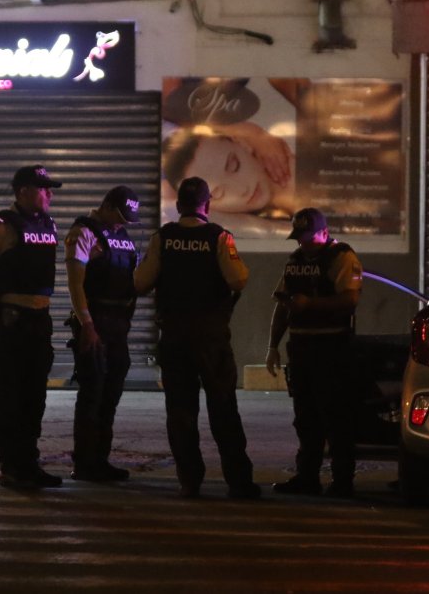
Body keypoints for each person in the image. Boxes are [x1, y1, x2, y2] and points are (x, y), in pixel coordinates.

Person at [134, 176, 262, 500]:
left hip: (174, 336)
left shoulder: (163, 238)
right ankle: (238, 482)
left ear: (178, 206)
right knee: (224, 408)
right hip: (210, 338)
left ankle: (189, 480)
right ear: (207, 205)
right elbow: (238, 280)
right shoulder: (219, 237)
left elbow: (140, 283)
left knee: (180, 411)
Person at [0, 164, 64, 490]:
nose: (49, 195)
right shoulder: (1, 226)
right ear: (23, 191)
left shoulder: (48, 224)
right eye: (43, 189)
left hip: (40, 320)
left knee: (34, 395)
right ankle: (10, 466)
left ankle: (29, 462)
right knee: (9, 393)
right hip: (11, 322)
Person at [266, 207, 363, 498]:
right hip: (301, 348)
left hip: (332, 347)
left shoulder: (341, 257)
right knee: (305, 417)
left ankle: (342, 481)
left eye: (308, 237)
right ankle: (307, 476)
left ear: (324, 232)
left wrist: (311, 305)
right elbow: (283, 305)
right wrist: (272, 346)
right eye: (299, 237)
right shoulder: (295, 260)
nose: (302, 243)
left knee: (336, 417)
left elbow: (350, 300)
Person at [63, 185, 141, 482]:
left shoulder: (122, 235)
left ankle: (101, 459)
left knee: (111, 394)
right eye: (120, 216)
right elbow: (75, 284)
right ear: (106, 206)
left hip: (118, 326)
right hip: (94, 322)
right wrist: (87, 325)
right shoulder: (84, 232)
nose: (123, 223)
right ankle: (85, 463)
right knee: (93, 393)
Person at [161, 122, 295, 230]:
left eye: (234, 166)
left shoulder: (291, 173)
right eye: (218, 193)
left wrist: (255, 133)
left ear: (242, 144)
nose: (242, 190)